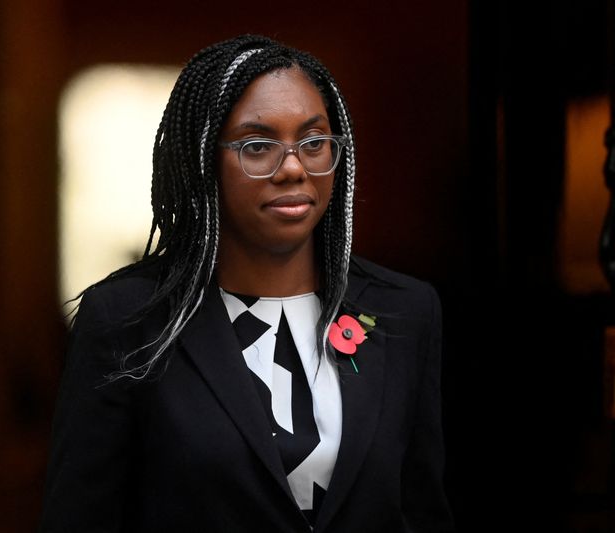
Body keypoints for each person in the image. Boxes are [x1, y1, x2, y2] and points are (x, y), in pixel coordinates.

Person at [39, 34, 454, 533]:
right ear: (202, 160)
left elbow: (421, 510)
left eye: (314, 142)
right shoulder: (131, 321)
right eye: (258, 146)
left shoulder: (404, 311)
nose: (295, 168)